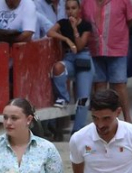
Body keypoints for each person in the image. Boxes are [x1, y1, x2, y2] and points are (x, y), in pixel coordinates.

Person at [81, 0, 132, 123]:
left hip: (117, 47)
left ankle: (127, 120)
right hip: (95, 47)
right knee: (100, 85)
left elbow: (130, 20)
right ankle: (103, 119)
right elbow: (84, 21)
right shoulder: (87, 2)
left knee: (119, 85)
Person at [48, 0, 93, 133]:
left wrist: (74, 30)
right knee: (57, 68)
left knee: (83, 98)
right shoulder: (62, 22)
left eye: (73, 8)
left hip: (83, 57)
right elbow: (50, 32)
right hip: (69, 58)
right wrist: (66, 39)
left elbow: (79, 46)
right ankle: (64, 97)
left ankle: (77, 130)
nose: (70, 11)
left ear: (79, 9)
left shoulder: (85, 25)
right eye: (68, 8)